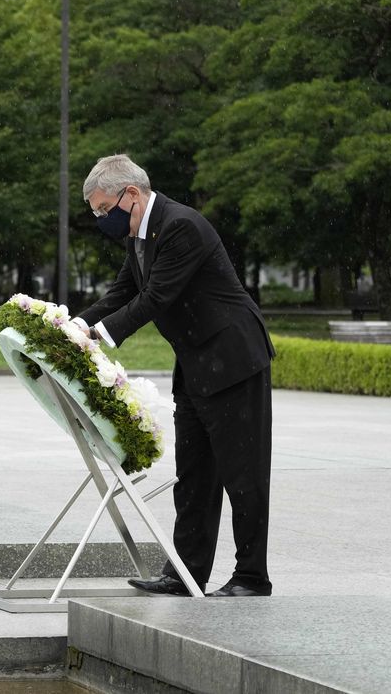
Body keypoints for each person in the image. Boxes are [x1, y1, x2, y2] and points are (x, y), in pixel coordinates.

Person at [73, 154, 275, 598]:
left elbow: (157, 297)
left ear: (131, 194)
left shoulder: (182, 225)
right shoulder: (137, 234)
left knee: (244, 475)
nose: (103, 220)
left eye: (105, 209)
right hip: (197, 363)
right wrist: (71, 328)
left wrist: (95, 335)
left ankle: (251, 578)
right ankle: (185, 574)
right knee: (195, 475)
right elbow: (123, 292)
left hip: (234, 358)